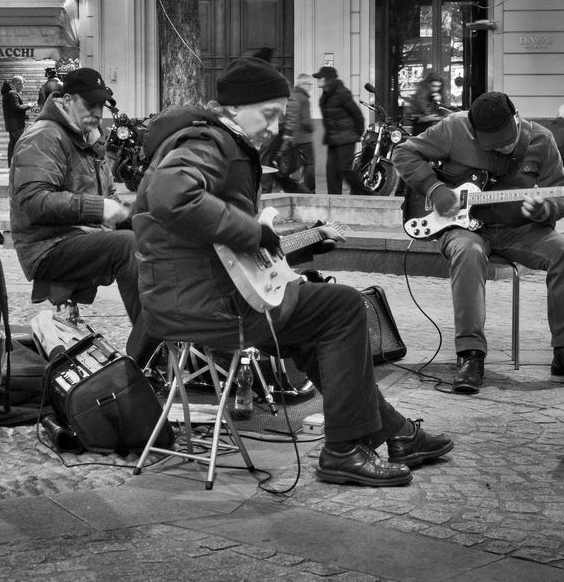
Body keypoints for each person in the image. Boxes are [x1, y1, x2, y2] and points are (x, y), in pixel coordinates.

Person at [132, 56, 453, 487]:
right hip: (209, 307)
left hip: (185, 301)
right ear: (231, 109)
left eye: (278, 118)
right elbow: (171, 196)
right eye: (266, 114)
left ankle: (392, 432)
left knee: (312, 324)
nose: (270, 127)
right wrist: (249, 231)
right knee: (341, 307)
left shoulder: (211, 140)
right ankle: (343, 451)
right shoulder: (208, 142)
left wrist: (264, 245)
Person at [392, 91, 564, 394]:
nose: (504, 147)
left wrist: (546, 209)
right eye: (493, 144)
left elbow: (561, 195)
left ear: (516, 118)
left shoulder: (542, 139)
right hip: (465, 231)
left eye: (507, 140)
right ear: (473, 131)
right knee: (468, 252)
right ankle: (470, 355)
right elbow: (403, 153)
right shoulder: (453, 128)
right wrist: (434, 188)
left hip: (520, 230)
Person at [9, 67, 153, 362]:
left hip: (79, 235)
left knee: (151, 234)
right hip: (47, 247)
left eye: (101, 106)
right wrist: (99, 208)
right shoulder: (44, 135)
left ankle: (176, 335)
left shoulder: (88, 139)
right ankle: (151, 353)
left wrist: (135, 216)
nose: (98, 113)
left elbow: (108, 197)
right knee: (127, 246)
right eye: (90, 105)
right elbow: (34, 200)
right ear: (68, 100)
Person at [314, 66, 367, 195]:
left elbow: (357, 114)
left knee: (345, 169)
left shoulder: (341, 93)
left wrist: (358, 133)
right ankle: (333, 199)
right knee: (331, 171)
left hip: (346, 138)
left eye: (320, 78)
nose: (317, 81)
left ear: (327, 80)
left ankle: (364, 194)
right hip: (333, 139)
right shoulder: (325, 95)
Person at [278, 73, 317, 192]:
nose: (310, 87)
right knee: (309, 164)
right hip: (304, 138)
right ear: (302, 84)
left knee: (291, 163)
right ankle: (309, 189)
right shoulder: (303, 98)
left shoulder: (293, 95)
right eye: (309, 84)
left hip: (294, 137)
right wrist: (311, 127)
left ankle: (286, 186)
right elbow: (305, 121)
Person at [1, 75, 36, 165]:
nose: (23, 87)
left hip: (12, 124)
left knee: (12, 145)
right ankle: (19, 165)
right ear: (17, 83)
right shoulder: (12, 93)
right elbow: (16, 107)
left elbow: (13, 109)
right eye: (22, 85)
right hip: (16, 125)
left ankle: (12, 165)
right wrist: (28, 105)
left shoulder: (8, 92)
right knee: (20, 145)